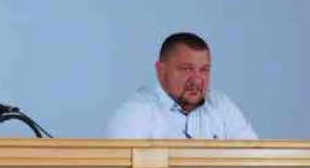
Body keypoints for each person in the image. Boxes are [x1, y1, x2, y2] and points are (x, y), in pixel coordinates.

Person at [106, 32, 257, 139]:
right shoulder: (137, 112)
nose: (197, 80)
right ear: (161, 70)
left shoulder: (221, 106)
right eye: (186, 69)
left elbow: (254, 160)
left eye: (204, 70)